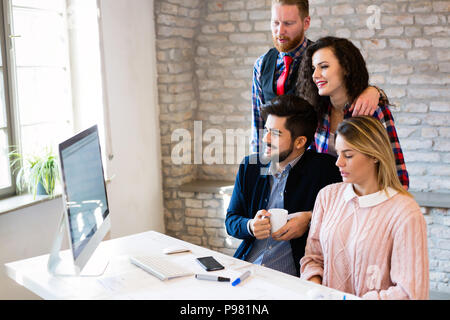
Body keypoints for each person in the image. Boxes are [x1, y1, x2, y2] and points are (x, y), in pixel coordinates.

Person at [300, 116, 429, 300]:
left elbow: (411, 293)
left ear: (375, 156)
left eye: (348, 155)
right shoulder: (327, 197)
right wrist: (317, 290)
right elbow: (313, 259)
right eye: (338, 153)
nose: (338, 162)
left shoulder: (405, 212)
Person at [225, 95, 342, 276]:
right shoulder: (251, 166)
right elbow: (231, 220)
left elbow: (344, 219)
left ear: (300, 142)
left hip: (293, 278)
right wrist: (250, 225)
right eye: (266, 131)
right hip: (246, 269)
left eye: (276, 134)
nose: (266, 139)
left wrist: (310, 219)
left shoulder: (326, 169)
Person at [251, 0, 382, 153]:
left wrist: (374, 90)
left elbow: (351, 86)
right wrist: (258, 168)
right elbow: (258, 122)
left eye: (288, 23)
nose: (280, 31)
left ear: (306, 23)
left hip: (313, 159)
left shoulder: (320, 57)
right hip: (275, 160)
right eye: (275, 23)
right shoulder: (261, 64)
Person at [297, 36, 409, 189]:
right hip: (327, 200)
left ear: (345, 67)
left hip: (367, 201)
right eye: (313, 68)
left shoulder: (372, 109)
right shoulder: (317, 112)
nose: (315, 75)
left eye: (323, 66)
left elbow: (395, 170)